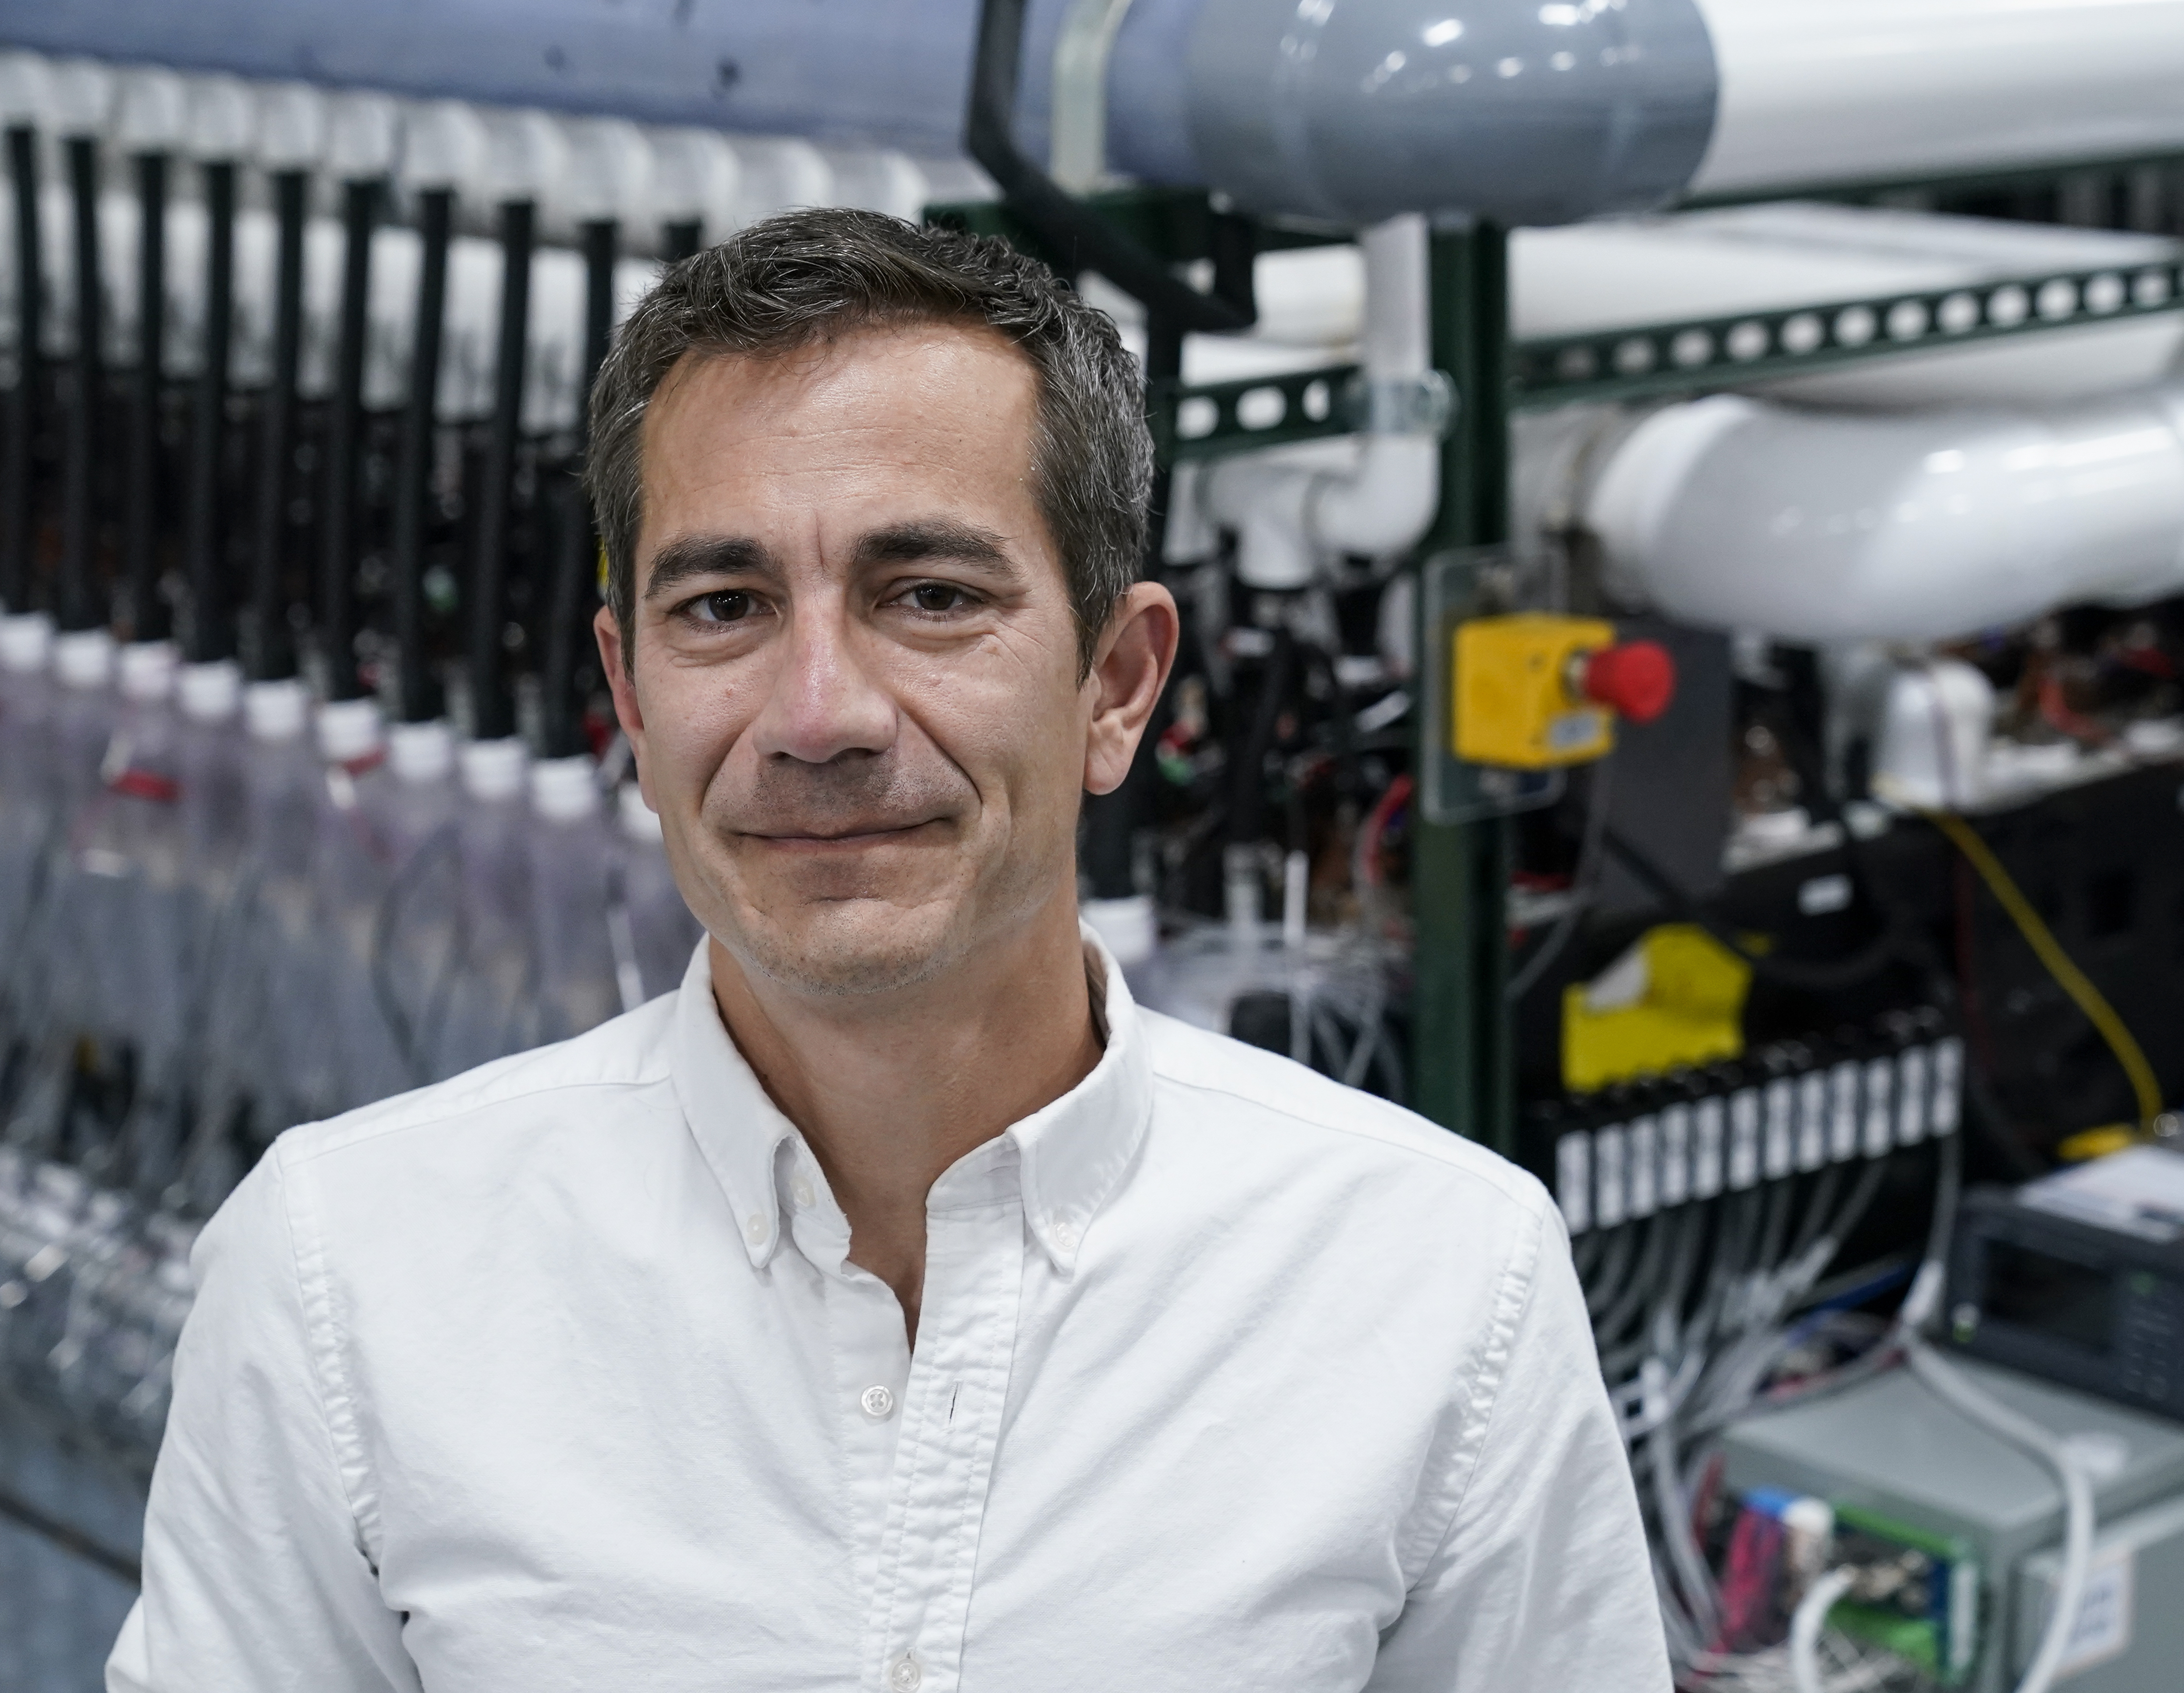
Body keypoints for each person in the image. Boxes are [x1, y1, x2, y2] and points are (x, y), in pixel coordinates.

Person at [107, 208, 1667, 1692]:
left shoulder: (1442, 1281)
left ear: (1118, 685)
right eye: (723, 605)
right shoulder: (343, 1273)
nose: (817, 717)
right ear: (631, 695)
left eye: (929, 595)